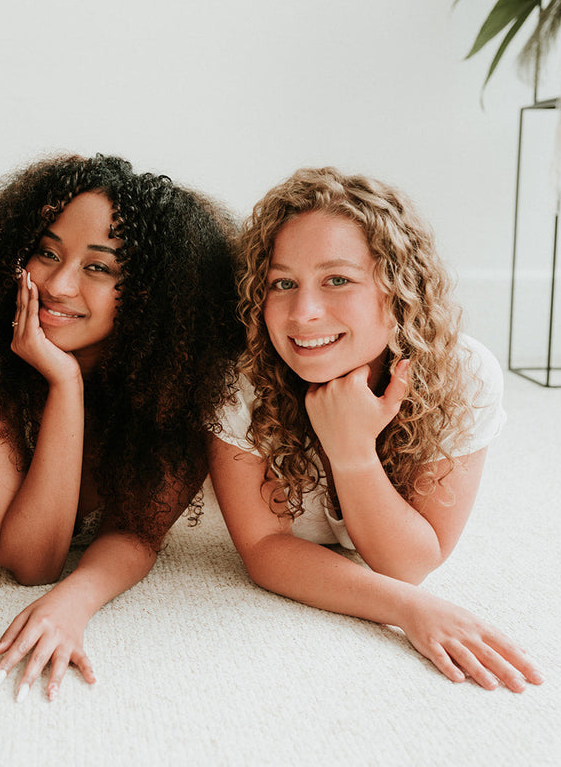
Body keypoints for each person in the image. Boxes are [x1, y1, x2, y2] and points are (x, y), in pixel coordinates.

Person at [0, 153, 243, 702]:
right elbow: (31, 560)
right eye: (46, 252)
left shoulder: (177, 384)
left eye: (100, 267)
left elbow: (136, 532)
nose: (59, 284)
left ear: (152, 295)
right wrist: (65, 385)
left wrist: (74, 601)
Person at [208, 166, 544, 692]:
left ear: (399, 289)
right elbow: (265, 550)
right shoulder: (242, 380)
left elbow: (407, 561)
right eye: (282, 283)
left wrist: (353, 453)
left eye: (337, 279)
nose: (304, 312)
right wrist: (409, 610)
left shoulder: (464, 375)